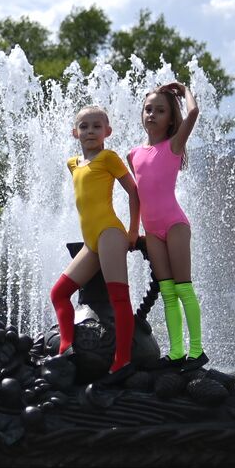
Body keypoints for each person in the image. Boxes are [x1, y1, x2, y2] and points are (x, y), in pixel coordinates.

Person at [50, 104, 140, 376]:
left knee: (119, 298)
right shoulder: (73, 164)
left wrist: (133, 231)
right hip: (91, 241)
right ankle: (66, 348)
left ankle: (121, 360)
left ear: (107, 131)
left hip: (110, 233)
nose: (90, 131)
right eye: (84, 126)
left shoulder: (109, 157)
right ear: (75, 132)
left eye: (96, 126)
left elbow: (134, 192)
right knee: (59, 293)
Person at [127, 81, 207, 369]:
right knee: (168, 291)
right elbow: (135, 196)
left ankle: (196, 351)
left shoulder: (173, 145)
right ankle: (176, 353)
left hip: (174, 224)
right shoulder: (133, 154)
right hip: (151, 232)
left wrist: (184, 89)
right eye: (148, 109)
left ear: (171, 118)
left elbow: (194, 112)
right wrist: (134, 230)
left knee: (184, 287)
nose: (152, 114)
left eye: (160, 110)